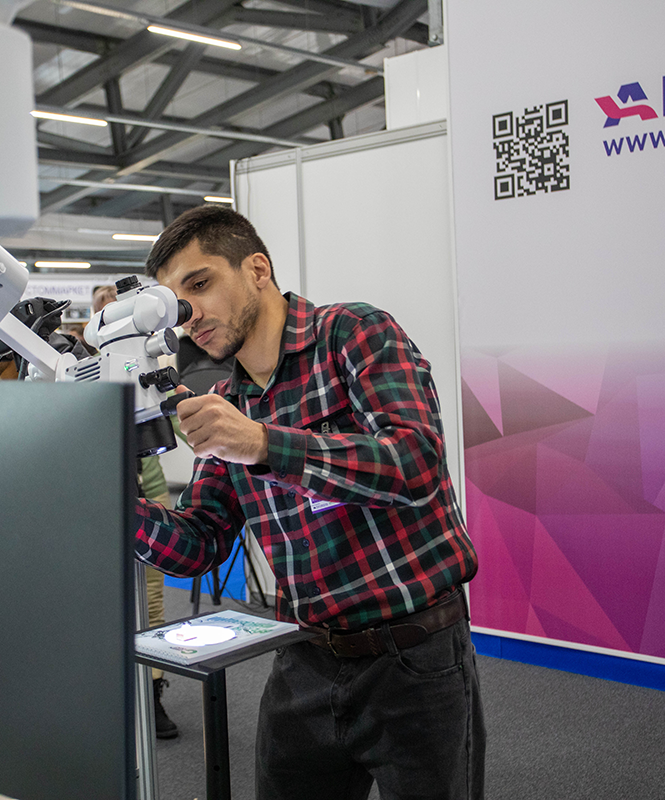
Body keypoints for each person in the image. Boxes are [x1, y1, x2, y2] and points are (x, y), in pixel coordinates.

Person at [134, 205, 483, 799]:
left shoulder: (353, 333)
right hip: (304, 657)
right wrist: (114, 507)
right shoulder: (228, 400)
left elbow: (414, 463)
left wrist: (264, 443)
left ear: (257, 270)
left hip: (415, 656)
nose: (189, 316)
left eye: (200, 284)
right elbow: (200, 540)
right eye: (174, 302)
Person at [92, 283, 179, 740]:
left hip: (147, 486)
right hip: (98, 495)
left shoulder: (142, 359)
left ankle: (153, 691)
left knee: (151, 597)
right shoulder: (87, 370)